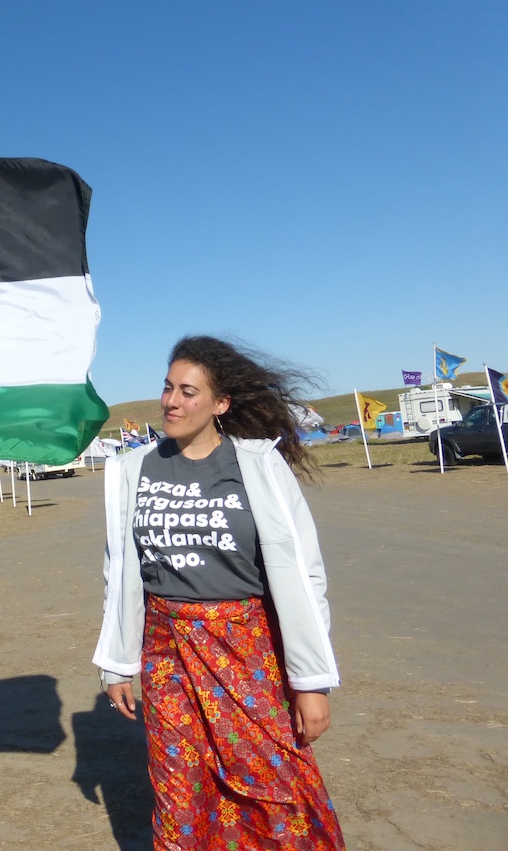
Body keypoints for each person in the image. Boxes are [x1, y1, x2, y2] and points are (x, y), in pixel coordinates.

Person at [93, 336, 344, 849]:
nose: (172, 402)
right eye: (168, 389)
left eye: (188, 391)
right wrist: (117, 662)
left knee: (273, 779)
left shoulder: (257, 465)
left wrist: (311, 681)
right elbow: (119, 570)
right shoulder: (134, 469)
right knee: (181, 786)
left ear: (220, 404)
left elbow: (302, 571)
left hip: (244, 648)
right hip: (165, 652)